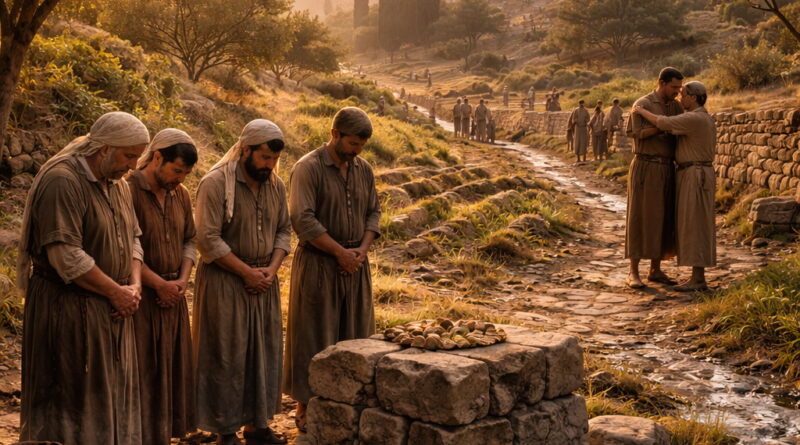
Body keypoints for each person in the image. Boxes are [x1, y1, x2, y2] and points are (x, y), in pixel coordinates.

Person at [18, 111, 149, 445]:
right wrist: (116, 293)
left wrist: (132, 286)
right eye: (129, 155)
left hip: (114, 307)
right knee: (71, 397)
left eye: (138, 156)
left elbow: (133, 237)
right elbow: (65, 255)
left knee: (109, 396)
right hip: (68, 309)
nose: (134, 166)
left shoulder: (117, 183)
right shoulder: (63, 180)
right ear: (103, 149)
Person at [283, 108, 381, 432]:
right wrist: (339, 252)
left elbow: (373, 213)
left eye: (361, 146)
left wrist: (361, 251)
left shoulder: (363, 169)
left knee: (355, 334)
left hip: (355, 264)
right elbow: (303, 219)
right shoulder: (307, 168)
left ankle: (349, 404)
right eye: (352, 143)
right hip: (319, 264)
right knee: (314, 335)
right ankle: (306, 406)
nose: (357, 151)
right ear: (335, 133)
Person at [194, 119, 290, 445]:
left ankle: (257, 426)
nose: (269, 165)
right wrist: (246, 272)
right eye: (264, 158)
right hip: (226, 283)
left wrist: (271, 270)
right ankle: (225, 431)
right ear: (246, 149)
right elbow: (207, 239)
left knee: (262, 354)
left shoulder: (275, 184)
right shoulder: (216, 183)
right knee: (227, 356)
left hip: (264, 283)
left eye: (275, 160)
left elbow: (283, 231)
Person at [127, 129, 198, 445]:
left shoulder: (180, 194)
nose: (180, 178)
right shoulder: (127, 189)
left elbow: (190, 240)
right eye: (176, 170)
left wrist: (182, 280)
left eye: (185, 173)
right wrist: (159, 285)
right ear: (157, 157)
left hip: (174, 297)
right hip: (142, 299)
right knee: (143, 373)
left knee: (171, 372)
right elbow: (124, 249)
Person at [633, 81, 716, 291]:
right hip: (691, 172)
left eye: (684, 94)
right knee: (691, 223)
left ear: (694, 97)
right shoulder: (699, 117)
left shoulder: (695, 117)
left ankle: (698, 278)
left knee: (695, 224)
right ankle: (696, 276)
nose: (680, 98)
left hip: (695, 173)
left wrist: (641, 111)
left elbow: (663, 122)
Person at [625, 67, 684, 289]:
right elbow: (634, 133)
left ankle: (655, 269)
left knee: (663, 218)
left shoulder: (676, 106)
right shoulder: (643, 104)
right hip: (646, 165)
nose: (677, 92)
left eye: (679, 88)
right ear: (661, 82)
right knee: (640, 217)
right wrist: (661, 127)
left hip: (667, 167)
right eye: (673, 87)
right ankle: (633, 272)